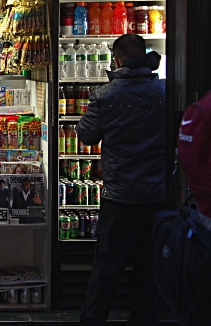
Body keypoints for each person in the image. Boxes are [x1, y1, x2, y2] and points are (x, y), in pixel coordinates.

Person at [76, 33, 166, 326]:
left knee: (106, 269)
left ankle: (93, 321)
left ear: (116, 59)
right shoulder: (166, 91)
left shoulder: (106, 96)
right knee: (149, 269)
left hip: (120, 195)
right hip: (157, 195)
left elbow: (87, 135)